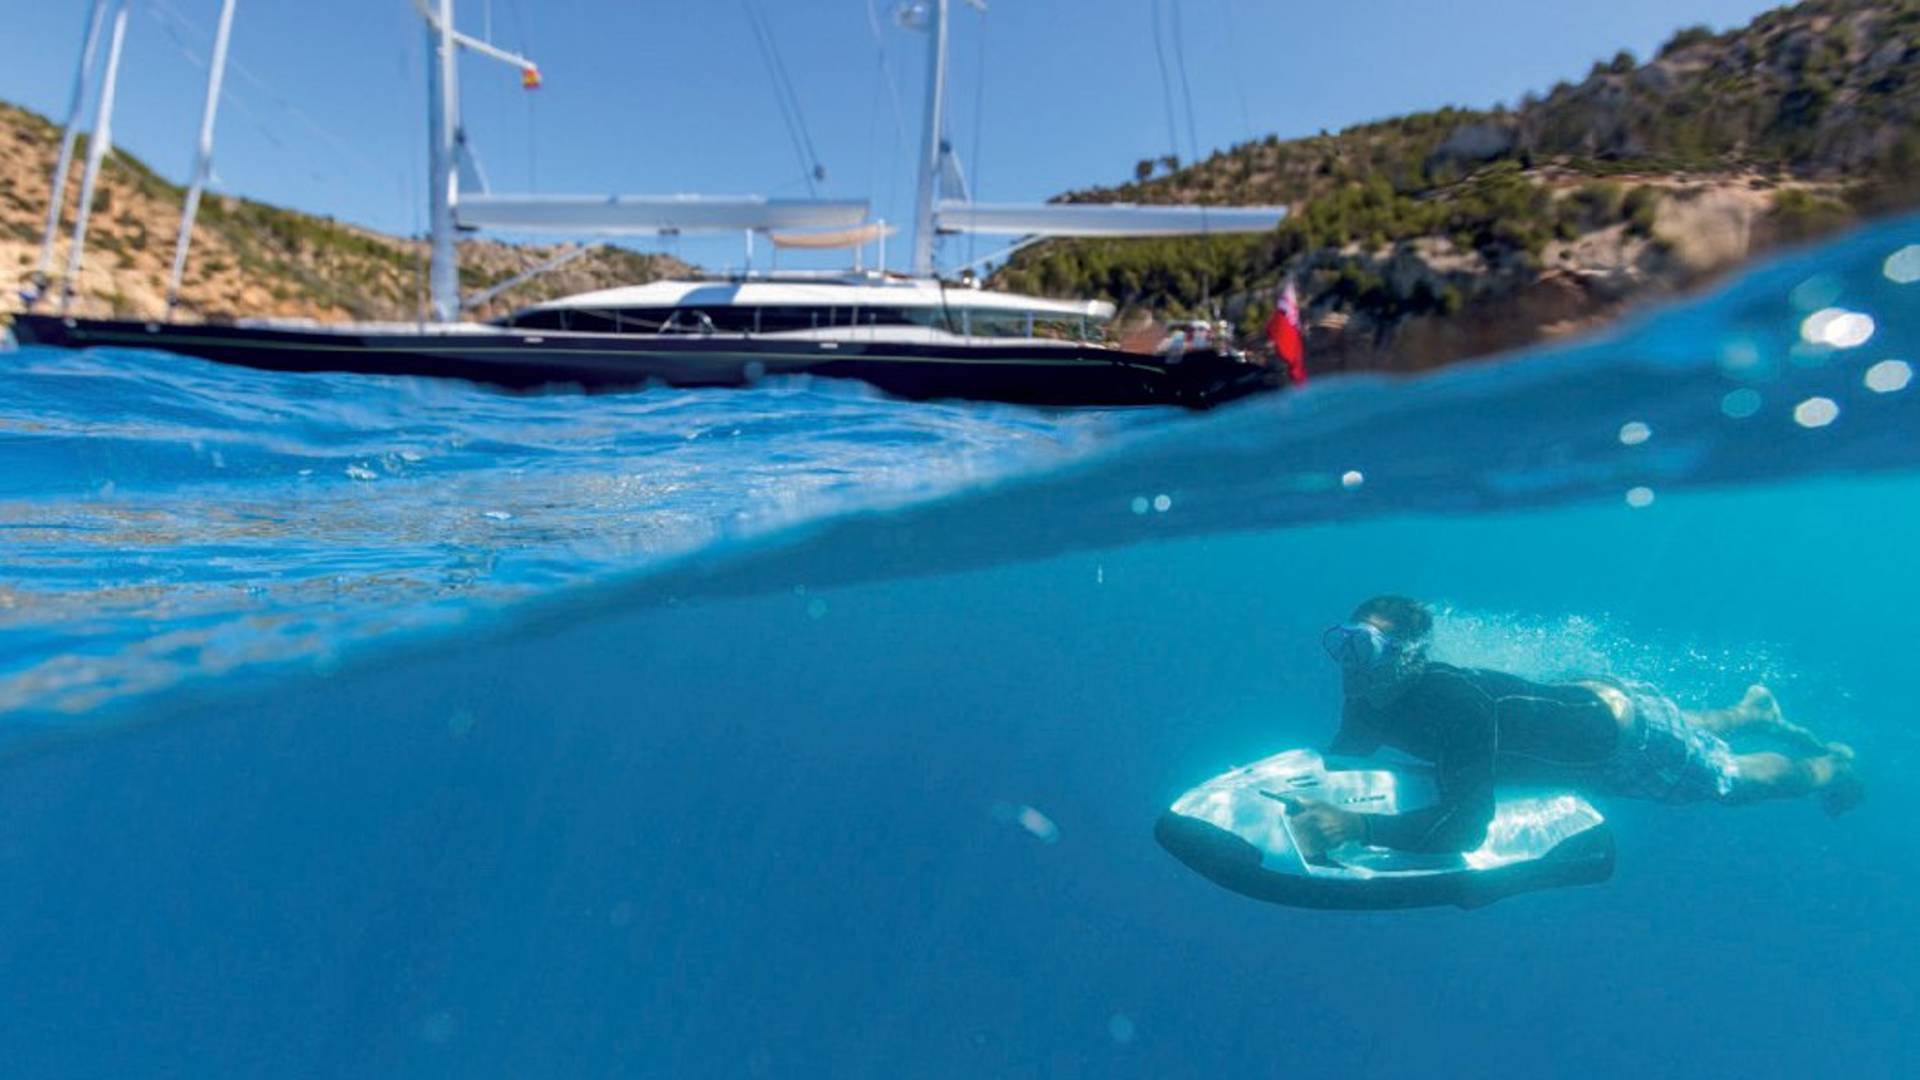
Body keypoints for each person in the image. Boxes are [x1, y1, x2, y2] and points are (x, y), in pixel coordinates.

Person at [1287, 595, 1864, 855]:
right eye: (1343, 644)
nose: (1351, 663)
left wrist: (1356, 828)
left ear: (1411, 653)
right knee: (1686, 732)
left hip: (1625, 742)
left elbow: (1467, 830)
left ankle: (1830, 765)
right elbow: (1351, 753)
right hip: (1590, 704)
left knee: (1729, 781)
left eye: (1367, 649)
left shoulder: (1453, 704)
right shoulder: (1367, 687)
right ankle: (1751, 713)